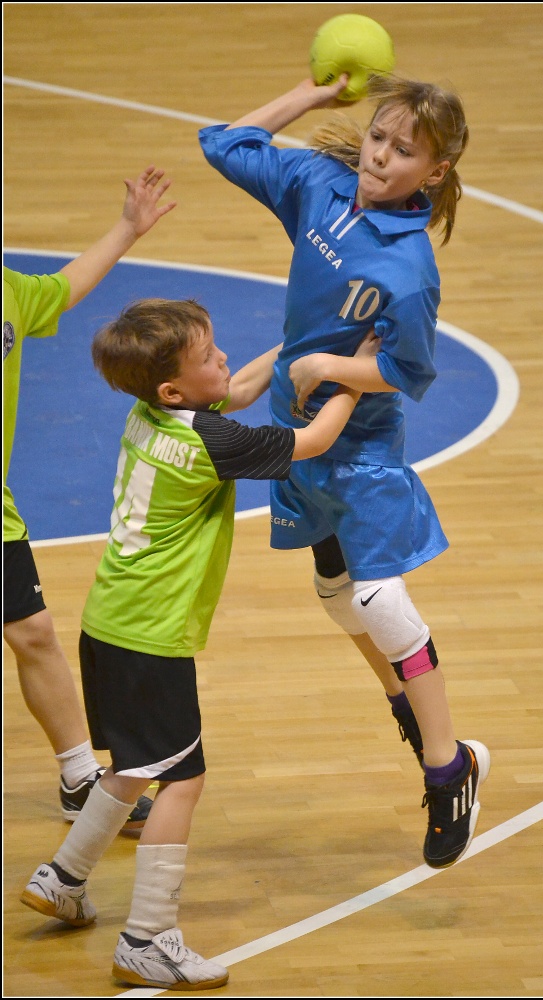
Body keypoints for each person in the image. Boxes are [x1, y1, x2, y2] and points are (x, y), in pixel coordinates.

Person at [21, 297, 373, 990]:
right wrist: (355, 376)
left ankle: (63, 878)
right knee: (182, 779)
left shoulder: (146, 414)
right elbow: (312, 442)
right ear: (173, 390)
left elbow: (233, 390)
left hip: (109, 623)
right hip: (150, 638)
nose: (224, 359)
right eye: (209, 356)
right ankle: (147, 939)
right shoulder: (209, 444)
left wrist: (298, 345)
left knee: (134, 766)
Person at [198, 73, 490, 869]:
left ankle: (447, 768)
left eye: (403, 151)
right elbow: (222, 143)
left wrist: (330, 365)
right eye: (377, 136)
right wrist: (308, 94)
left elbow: (406, 370)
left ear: (434, 171)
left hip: (359, 449)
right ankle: (409, 705)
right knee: (335, 598)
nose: (380, 156)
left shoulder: (408, 269)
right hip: (295, 431)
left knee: (376, 598)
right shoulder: (319, 184)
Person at [3, 166, 176, 832]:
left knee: (34, 632)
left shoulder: (9, 290)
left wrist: (128, 228)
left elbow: (64, 287)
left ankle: (80, 778)